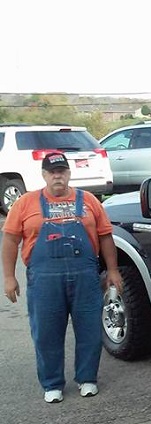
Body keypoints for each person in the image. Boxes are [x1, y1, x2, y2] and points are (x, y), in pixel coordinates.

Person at [1, 152, 122, 403]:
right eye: (52, 171)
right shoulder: (25, 203)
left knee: (89, 330)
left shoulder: (88, 201)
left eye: (62, 171)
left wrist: (112, 270)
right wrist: (9, 277)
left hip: (85, 277)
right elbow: (11, 239)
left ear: (68, 173)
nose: (58, 176)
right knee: (46, 332)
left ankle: (87, 379)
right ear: (44, 175)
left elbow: (105, 236)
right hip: (44, 280)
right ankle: (52, 383)